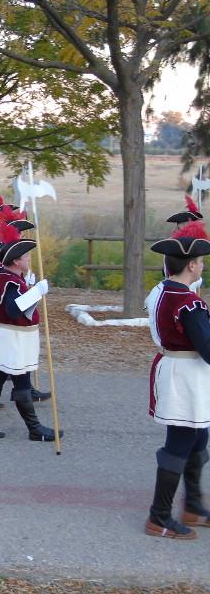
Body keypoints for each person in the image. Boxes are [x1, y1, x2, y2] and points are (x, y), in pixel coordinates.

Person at [144, 221, 210, 539]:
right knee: (180, 444)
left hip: (179, 370)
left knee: (198, 438)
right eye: (201, 262)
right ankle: (159, 517)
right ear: (192, 265)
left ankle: (194, 506)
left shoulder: (163, 292)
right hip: (184, 376)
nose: (203, 267)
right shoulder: (189, 303)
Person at [0, 223, 62, 442]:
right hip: (11, 338)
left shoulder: (13, 278)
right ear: (16, 261)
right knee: (20, 382)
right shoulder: (9, 280)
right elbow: (12, 309)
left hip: (15, 338)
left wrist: (30, 288)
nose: (29, 259)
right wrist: (36, 292)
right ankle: (34, 428)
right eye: (26, 257)